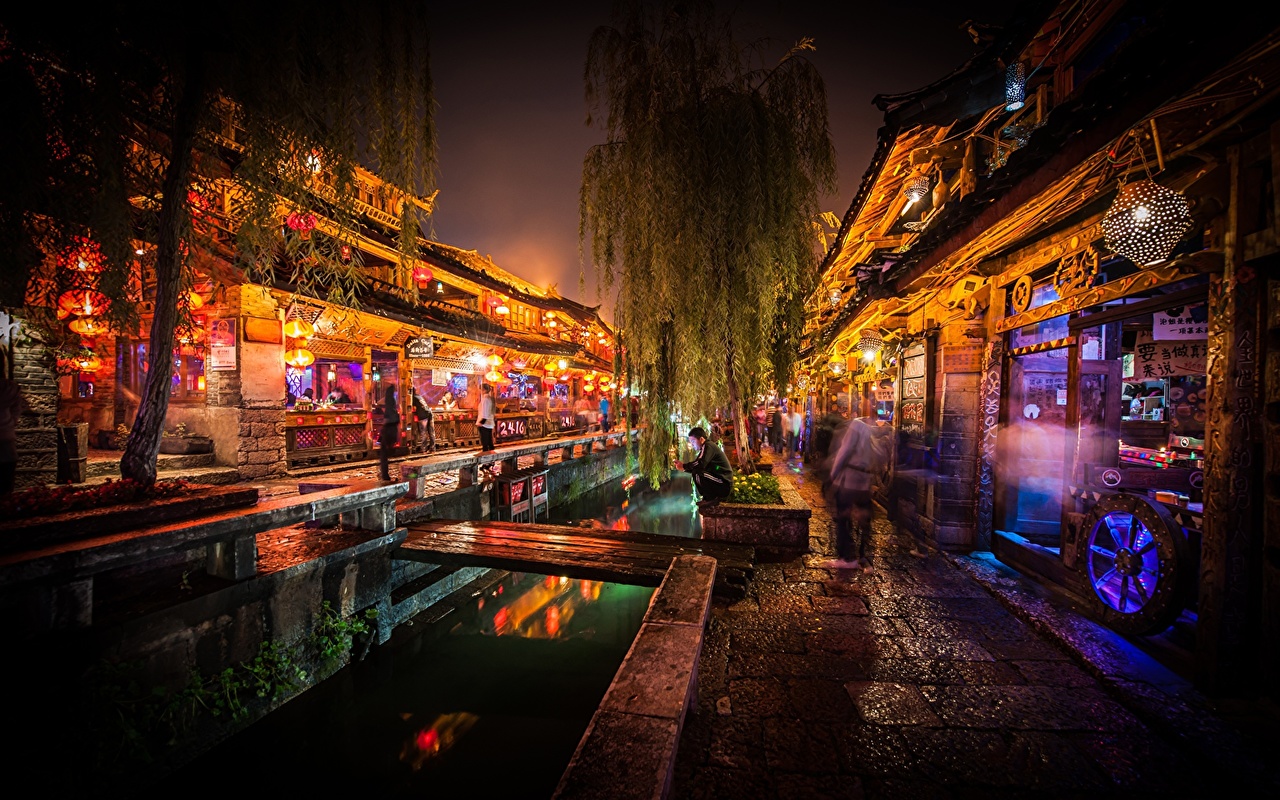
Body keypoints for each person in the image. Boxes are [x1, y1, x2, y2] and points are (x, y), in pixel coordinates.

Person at [825, 414, 886, 572]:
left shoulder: (854, 427)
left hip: (849, 480)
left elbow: (844, 452)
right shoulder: (868, 429)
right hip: (864, 480)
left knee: (843, 517)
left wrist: (832, 475)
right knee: (864, 520)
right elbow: (878, 454)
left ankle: (847, 557)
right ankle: (865, 558)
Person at [674, 426, 733, 506]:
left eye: (693, 441)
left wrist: (684, 466)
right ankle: (708, 498)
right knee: (697, 471)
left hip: (724, 483)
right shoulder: (705, 447)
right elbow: (698, 465)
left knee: (698, 473)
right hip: (720, 482)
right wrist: (683, 468)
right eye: (691, 442)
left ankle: (710, 498)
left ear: (701, 439)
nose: (692, 445)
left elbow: (700, 463)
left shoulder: (708, 446)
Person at [0, 379, 21, 495]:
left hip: (6, 437)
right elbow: (16, 411)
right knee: (6, 480)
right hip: (7, 435)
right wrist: (9, 423)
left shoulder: (9, 388)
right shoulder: (10, 389)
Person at [378, 383, 401, 481]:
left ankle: (385, 474)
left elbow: (387, 419)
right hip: (392, 430)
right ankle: (385, 473)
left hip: (388, 430)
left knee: (384, 454)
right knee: (387, 452)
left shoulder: (388, 404)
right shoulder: (393, 404)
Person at [411, 386, 435, 452]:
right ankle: (432, 448)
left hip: (423, 415)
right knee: (431, 432)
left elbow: (413, 409)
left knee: (423, 432)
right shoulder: (419, 396)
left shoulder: (412, 398)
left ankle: (424, 449)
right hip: (429, 413)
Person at [477, 383, 496, 452]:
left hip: (485, 423)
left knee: (485, 442)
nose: (480, 392)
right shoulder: (490, 399)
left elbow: (485, 412)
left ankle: (486, 458)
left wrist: (481, 422)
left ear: (484, 390)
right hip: (489, 422)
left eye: (480, 390)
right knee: (489, 441)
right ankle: (491, 459)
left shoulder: (485, 399)